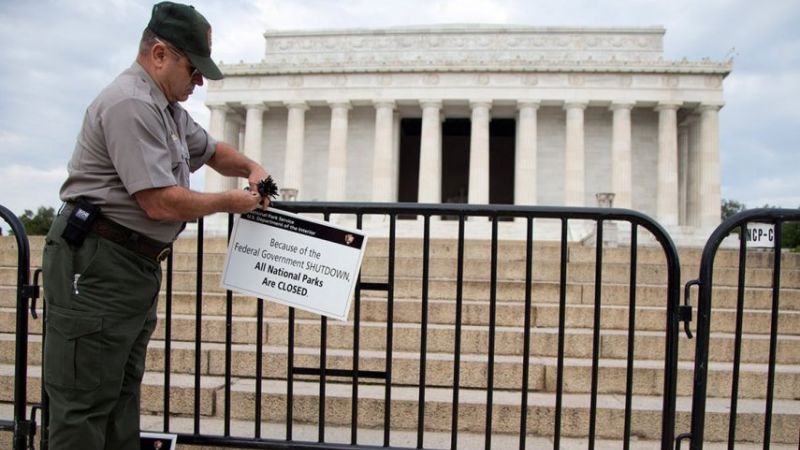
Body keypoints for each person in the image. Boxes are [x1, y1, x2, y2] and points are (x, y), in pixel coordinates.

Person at [41, 2, 269, 449]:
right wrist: (228, 202)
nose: (199, 81)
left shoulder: (166, 109)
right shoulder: (131, 102)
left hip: (131, 264)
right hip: (98, 260)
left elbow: (211, 150)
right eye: (193, 69)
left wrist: (251, 167)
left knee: (120, 394)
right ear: (160, 54)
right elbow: (159, 202)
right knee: (84, 401)